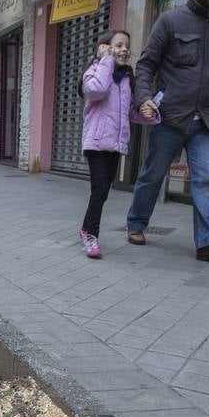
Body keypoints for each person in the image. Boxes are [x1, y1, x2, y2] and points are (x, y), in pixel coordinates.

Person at [125, 0, 209, 261]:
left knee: (205, 180)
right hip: (171, 117)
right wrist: (144, 98)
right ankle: (136, 222)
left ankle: (206, 242)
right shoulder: (170, 20)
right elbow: (146, 65)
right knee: (153, 174)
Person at [78, 29, 149, 259]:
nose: (124, 50)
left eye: (126, 46)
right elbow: (96, 91)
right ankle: (91, 235)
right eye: (118, 45)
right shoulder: (94, 72)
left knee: (104, 191)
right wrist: (106, 60)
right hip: (96, 142)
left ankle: (85, 227)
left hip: (115, 145)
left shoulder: (127, 78)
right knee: (98, 189)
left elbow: (128, 112)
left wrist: (147, 113)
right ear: (105, 47)